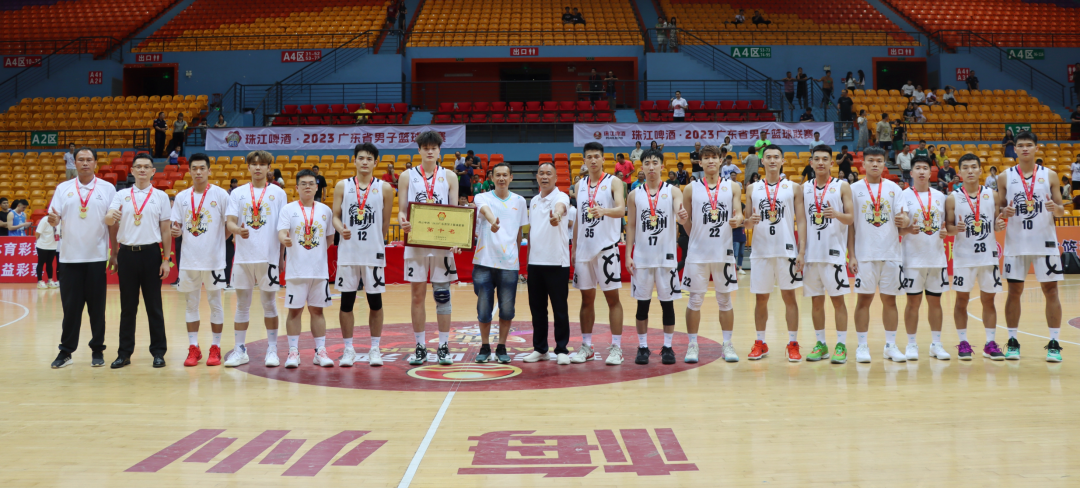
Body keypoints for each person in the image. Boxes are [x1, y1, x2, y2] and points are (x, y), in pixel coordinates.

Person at [995, 131, 1065, 362]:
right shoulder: (1004, 177)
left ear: (1036, 148)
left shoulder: (1050, 175)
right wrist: (1003, 212)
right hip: (1017, 243)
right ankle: (1012, 341)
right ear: (1014, 149)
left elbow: (1061, 210)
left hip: (1045, 242)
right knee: (1014, 292)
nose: (1025, 148)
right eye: (1021, 145)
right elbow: (999, 211)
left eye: (1029, 145)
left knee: (1051, 291)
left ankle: (1054, 343)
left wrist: (1056, 209)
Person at [48, 146, 118, 369]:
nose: (85, 163)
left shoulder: (107, 188)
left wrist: (114, 252)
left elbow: (113, 223)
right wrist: (53, 220)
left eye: (89, 159)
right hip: (69, 258)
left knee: (97, 309)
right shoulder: (63, 188)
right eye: (81, 159)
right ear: (74, 163)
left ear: (96, 163)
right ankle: (66, 351)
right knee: (71, 309)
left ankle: (97, 350)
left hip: (96, 257)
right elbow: (54, 217)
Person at [104, 152, 172, 369]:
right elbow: (110, 221)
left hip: (151, 254)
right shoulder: (121, 195)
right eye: (138, 166)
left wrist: (166, 259)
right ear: (132, 171)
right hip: (127, 254)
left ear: (153, 171)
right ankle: (124, 353)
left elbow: (165, 230)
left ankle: (158, 352)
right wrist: (114, 252)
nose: (142, 170)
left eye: (146, 167)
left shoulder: (161, 196)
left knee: (154, 306)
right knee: (127, 307)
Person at [399, 131, 460, 366]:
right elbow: (402, 210)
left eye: (434, 147)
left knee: (442, 295)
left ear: (439, 150)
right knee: (417, 295)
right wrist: (403, 221)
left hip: (442, 244)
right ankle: (420, 346)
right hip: (416, 242)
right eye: (425, 148)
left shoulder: (450, 176)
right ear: (419, 150)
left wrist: (458, 238)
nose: (430, 151)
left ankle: (443, 346)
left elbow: (455, 212)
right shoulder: (407, 176)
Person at [222, 150, 288, 368]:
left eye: (262, 164)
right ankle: (240, 349)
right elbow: (230, 222)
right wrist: (237, 230)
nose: (258, 167)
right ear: (248, 167)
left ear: (269, 168)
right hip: (244, 257)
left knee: (269, 304)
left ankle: (272, 349)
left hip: (268, 257)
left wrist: (281, 257)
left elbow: (282, 228)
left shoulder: (279, 193)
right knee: (242, 305)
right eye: (254, 164)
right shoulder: (237, 193)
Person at [333, 142, 394, 367]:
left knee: (375, 303)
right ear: (355, 160)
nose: (365, 162)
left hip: (372, 254)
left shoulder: (385, 188)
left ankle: (375, 348)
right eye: (361, 158)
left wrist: (374, 241)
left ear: (376, 162)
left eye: (369, 158)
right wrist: (340, 229)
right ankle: (348, 348)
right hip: (348, 253)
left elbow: (385, 223)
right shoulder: (342, 186)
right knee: (346, 303)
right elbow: (335, 216)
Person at [848, 146, 911, 363]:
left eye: (879, 161)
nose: (875, 164)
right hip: (864, 254)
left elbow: (904, 219)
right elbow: (850, 226)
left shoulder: (894, 188)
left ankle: (890, 346)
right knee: (863, 300)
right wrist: (852, 255)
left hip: (891, 253)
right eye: (871, 160)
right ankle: (862, 346)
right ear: (863, 163)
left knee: (890, 301)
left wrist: (905, 220)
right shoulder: (853, 189)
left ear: (884, 164)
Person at [744, 145, 806, 361]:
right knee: (761, 299)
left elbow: (802, 221)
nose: (772, 160)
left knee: (789, 297)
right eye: (768, 157)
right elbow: (746, 223)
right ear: (762, 161)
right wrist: (749, 222)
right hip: (761, 251)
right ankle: (760, 342)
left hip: (786, 251)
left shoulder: (794, 187)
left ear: (782, 161)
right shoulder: (752, 189)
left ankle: (793, 343)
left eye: (776, 157)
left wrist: (801, 251)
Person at [682, 145, 743, 363]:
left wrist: (738, 220)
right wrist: (693, 233)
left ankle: (727, 344)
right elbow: (686, 222)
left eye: (714, 157)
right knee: (694, 300)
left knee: (725, 300)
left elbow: (739, 214)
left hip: (723, 252)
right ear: (700, 163)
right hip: (697, 253)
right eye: (706, 158)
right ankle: (692, 345)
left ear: (720, 160)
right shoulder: (690, 188)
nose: (710, 161)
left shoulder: (732, 186)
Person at [625, 147, 686, 365]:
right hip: (642, 257)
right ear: (641, 167)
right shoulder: (634, 194)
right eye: (647, 163)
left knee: (667, 305)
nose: (651, 167)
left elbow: (680, 215)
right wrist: (628, 254)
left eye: (655, 163)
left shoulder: (673, 191)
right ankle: (643, 347)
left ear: (662, 166)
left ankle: (667, 347)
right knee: (642, 305)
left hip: (666, 258)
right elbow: (631, 226)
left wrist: (682, 215)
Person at [170, 153, 230, 367]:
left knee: (216, 304)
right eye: (194, 168)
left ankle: (216, 347)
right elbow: (175, 225)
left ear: (209, 170)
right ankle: (193, 347)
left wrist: (217, 243)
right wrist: (176, 231)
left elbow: (229, 225)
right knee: (191, 305)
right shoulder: (181, 197)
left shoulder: (221, 195)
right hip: (189, 260)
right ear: (189, 171)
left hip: (214, 261)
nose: (198, 172)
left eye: (202, 168)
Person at [571, 141, 626, 365]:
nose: (593, 160)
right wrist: (574, 248)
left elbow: (621, 210)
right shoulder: (579, 185)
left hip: (607, 249)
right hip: (584, 250)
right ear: (584, 160)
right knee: (586, 300)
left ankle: (617, 348)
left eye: (597, 156)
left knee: (612, 299)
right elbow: (578, 219)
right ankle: (587, 346)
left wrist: (603, 211)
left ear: (603, 159)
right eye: (589, 157)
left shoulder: (614, 181)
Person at [946, 153, 1005, 360]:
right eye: (965, 167)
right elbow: (948, 228)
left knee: (989, 300)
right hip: (964, 257)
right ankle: (963, 342)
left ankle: (990, 343)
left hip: (988, 257)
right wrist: (956, 229)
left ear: (980, 170)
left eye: (973, 167)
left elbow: (997, 223)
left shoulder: (992, 195)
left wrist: (999, 225)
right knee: (961, 300)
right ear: (959, 172)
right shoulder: (952, 198)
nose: (970, 171)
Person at [276, 169, 336, 368]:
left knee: (318, 311)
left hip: (319, 271)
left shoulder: (325, 210)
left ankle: (320, 351)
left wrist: (315, 253)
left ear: (317, 187)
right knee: (294, 311)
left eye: (311, 183)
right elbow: (282, 232)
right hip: (296, 271)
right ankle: (293, 352)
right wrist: (284, 239)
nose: (308, 186)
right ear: (297, 187)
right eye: (303, 183)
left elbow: (329, 238)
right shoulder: (288, 209)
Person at [801, 144, 855, 363]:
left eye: (825, 159)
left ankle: (841, 345)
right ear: (811, 163)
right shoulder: (804, 188)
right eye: (817, 159)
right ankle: (821, 344)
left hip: (834, 254)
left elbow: (851, 219)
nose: (821, 162)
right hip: (811, 255)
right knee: (816, 303)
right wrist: (801, 252)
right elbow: (802, 221)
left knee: (838, 302)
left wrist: (837, 214)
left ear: (832, 163)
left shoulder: (842, 186)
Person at [471, 163, 528, 364]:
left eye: (505, 175)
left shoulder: (520, 201)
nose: (501, 178)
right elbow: (485, 211)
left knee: (507, 309)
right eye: (498, 175)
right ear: (492, 178)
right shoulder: (482, 197)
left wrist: (516, 257)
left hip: (509, 264)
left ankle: (502, 346)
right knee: (484, 309)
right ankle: (485, 346)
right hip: (484, 262)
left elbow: (520, 231)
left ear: (511, 178)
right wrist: (492, 221)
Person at [898, 156, 952, 361]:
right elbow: (898, 229)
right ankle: (911, 344)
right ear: (911, 173)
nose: (921, 171)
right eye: (918, 168)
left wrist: (947, 232)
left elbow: (947, 225)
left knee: (935, 303)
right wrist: (906, 228)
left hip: (936, 258)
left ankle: (936, 344)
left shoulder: (941, 197)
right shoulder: (902, 196)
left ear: (931, 173)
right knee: (913, 303)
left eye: (925, 168)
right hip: (912, 259)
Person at [525, 162, 572, 364]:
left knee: (559, 309)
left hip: (557, 263)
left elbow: (560, 208)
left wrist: (557, 216)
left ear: (555, 178)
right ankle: (540, 349)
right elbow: (533, 232)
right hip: (535, 263)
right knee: (537, 310)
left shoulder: (562, 197)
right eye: (541, 173)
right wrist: (527, 261)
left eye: (549, 174)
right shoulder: (534, 200)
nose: (545, 177)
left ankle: (561, 350)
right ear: (537, 177)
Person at [35, 215, 59, 289]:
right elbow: (37, 232)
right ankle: (40, 281)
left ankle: (50, 280)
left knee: (49, 263)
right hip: (43, 246)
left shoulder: (58, 221)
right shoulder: (45, 220)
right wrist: (39, 242)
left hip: (53, 245)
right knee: (41, 262)